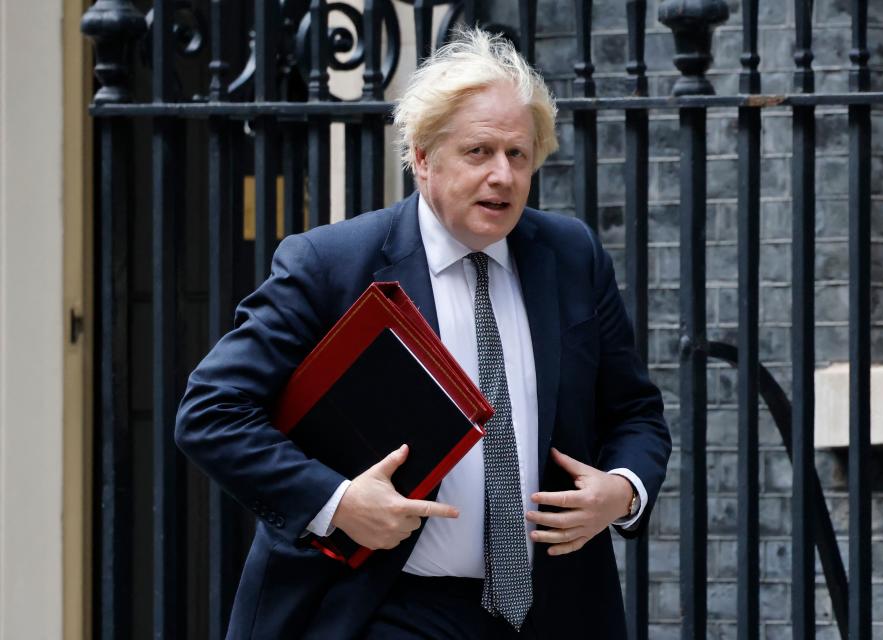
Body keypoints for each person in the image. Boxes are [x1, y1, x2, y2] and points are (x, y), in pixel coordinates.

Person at [176, 28, 671, 639]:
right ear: (422, 157)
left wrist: (621, 492)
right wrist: (338, 503)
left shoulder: (572, 257)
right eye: (478, 152)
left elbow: (636, 413)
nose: (502, 176)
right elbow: (212, 411)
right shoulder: (333, 265)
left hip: (554, 610)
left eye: (518, 156)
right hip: (380, 607)